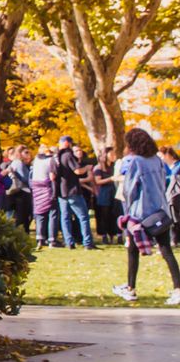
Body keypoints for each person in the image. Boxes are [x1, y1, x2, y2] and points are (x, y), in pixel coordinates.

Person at [111, 127, 180, 305]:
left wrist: (128, 206)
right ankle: (178, 288)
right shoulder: (157, 160)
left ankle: (131, 288)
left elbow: (130, 188)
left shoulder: (136, 162)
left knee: (133, 251)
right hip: (160, 210)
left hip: (141, 213)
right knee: (166, 250)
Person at [54, 135, 95, 248]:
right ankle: (88, 242)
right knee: (83, 216)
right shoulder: (68, 155)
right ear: (68, 143)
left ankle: (69, 242)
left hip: (61, 191)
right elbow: (77, 171)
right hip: (72, 190)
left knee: (65, 217)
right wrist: (87, 168)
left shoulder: (57, 156)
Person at [91, 148, 121, 243]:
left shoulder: (115, 166)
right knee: (104, 215)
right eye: (111, 154)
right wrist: (111, 179)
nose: (113, 156)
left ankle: (115, 235)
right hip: (104, 193)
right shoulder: (99, 168)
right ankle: (104, 235)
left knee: (115, 214)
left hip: (114, 192)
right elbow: (98, 181)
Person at [31, 146, 57, 246]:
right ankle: (52, 239)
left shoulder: (36, 160)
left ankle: (40, 238)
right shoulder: (51, 160)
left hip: (36, 189)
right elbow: (52, 176)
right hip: (47, 187)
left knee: (40, 214)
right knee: (52, 214)